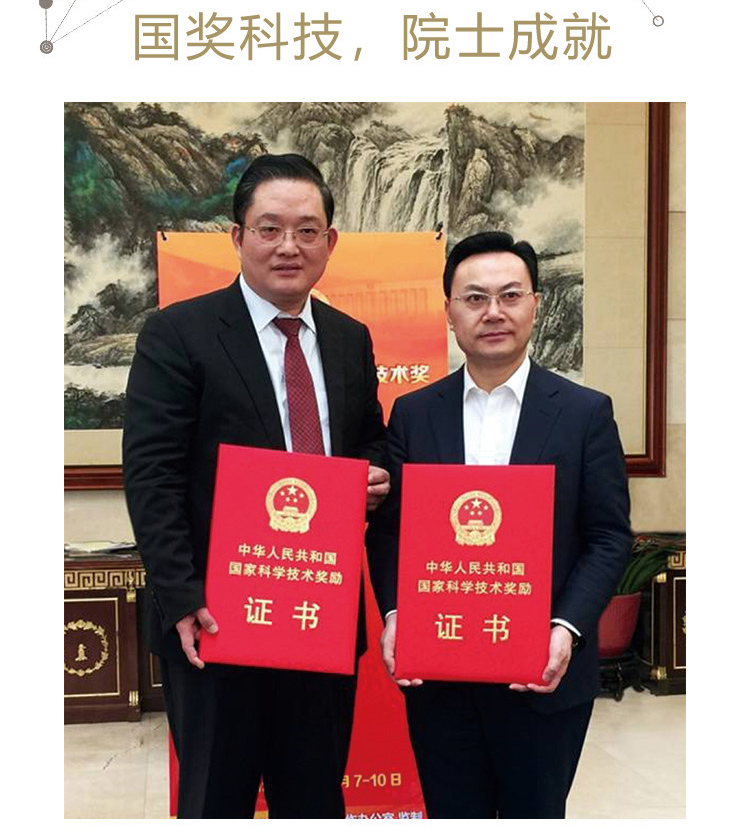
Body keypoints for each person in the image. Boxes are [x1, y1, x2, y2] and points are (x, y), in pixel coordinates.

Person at [123, 154, 389, 819]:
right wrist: (182, 597)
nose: (288, 246)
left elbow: (369, 438)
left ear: (331, 241)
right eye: (270, 228)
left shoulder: (349, 339)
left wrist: (373, 473)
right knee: (216, 800)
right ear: (238, 236)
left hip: (320, 614)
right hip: (216, 622)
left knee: (314, 799)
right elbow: (152, 472)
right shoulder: (178, 333)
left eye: (307, 230)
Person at [366, 231, 632, 819]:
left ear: (535, 304)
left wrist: (566, 629)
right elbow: (388, 532)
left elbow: (608, 536)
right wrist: (395, 614)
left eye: (510, 295)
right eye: (475, 298)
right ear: (450, 311)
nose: (493, 312)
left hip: (543, 673)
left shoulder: (585, 413)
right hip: (439, 675)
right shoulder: (414, 413)